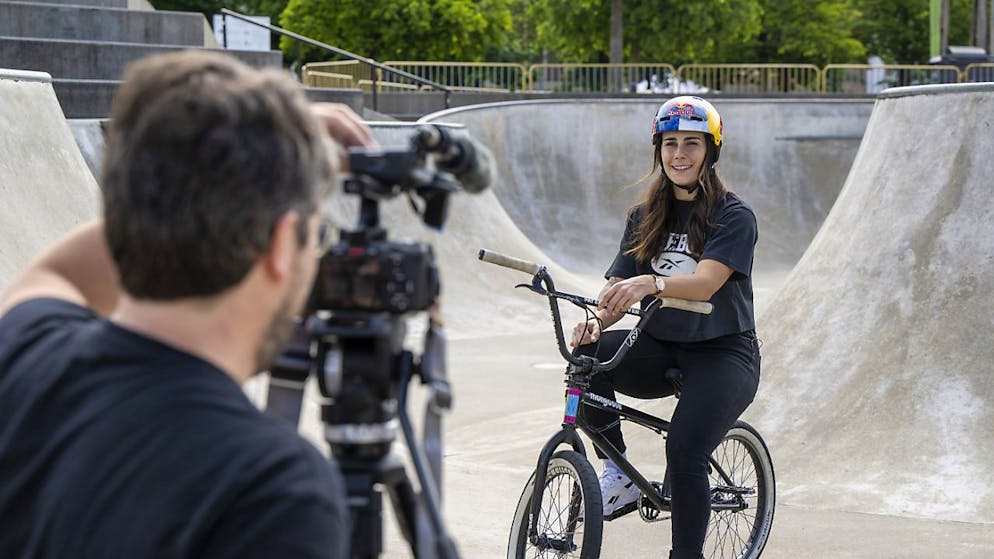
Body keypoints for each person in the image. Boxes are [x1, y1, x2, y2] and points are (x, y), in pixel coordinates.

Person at [0, 51, 376, 558]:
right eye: (318, 235)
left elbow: (60, 271)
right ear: (282, 245)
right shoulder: (272, 490)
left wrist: (214, 163)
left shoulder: (26, 353)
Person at [569, 96, 760, 559]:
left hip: (724, 352)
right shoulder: (644, 215)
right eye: (670, 143)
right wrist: (596, 321)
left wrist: (650, 282)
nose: (679, 154)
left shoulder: (734, 216)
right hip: (660, 341)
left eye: (692, 144)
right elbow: (618, 289)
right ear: (659, 150)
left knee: (685, 450)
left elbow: (705, 283)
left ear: (711, 151)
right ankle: (616, 473)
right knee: (587, 362)